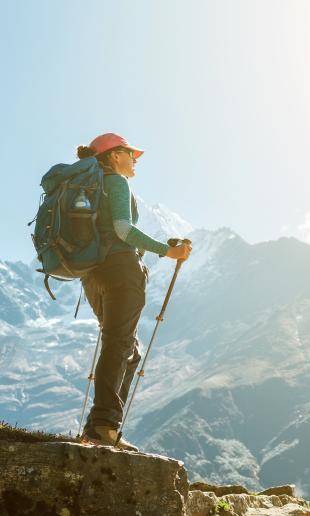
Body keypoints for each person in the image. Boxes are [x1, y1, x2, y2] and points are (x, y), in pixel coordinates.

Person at [76, 132, 191, 451]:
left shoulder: (87, 188)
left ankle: (97, 426)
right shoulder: (115, 181)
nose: (135, 159)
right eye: (131, 153)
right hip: (121, 271)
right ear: (114, 155)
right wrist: (165, 251)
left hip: (92, 276)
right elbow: (123, 230)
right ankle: (104, 426)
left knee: (127, 348)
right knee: (120, 343)